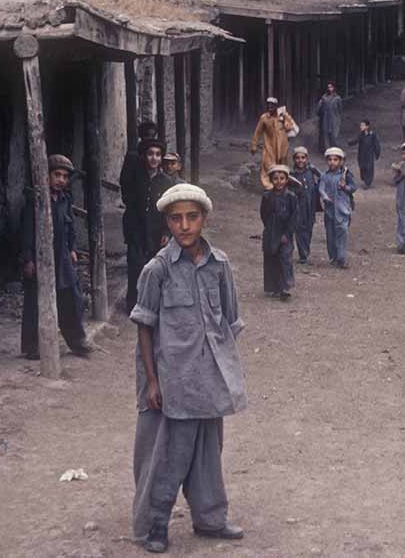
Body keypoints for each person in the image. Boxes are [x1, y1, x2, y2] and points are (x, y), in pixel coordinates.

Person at [131, 183, 246, 553]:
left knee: (209, 452)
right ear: (167, 222)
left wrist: (222, 371)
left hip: (209, 380)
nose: (184, 226)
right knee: (168, 456)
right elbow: (144, 327)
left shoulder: (220, 266)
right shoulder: (157, 270)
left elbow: (230, 323)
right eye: (176, 218)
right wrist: (152, 381)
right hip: (173, 382)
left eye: (192, 217)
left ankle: (211, 519)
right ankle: (156, 525)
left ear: (204, 219)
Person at [21, 154, 91, 359]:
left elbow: (70, 227)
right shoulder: (35, 200)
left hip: (62, 256)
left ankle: (76, 340)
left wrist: (72, 248)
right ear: (47, 176)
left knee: (70, 297)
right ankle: (33, 345)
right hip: (41, 256)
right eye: (57, 175)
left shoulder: (65, 200)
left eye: (65, 176)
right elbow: (26, 231)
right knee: (36, 300)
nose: (61, 180)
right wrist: (28, 259)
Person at [121, 121, 161, 312]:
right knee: (135, 264)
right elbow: (126, 186)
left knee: (153, 265)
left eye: (152, 135)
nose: (153, 157)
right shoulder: (133, 159)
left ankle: (150, 303)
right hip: (135, 221)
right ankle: (133, 303)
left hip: (152, 225)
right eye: (146, 136)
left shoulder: (160, 175)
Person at [260, 165, 298, 299]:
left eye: (282, 178)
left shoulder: (291, 197)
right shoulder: (266, 196)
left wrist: (287, 233)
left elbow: (294, 217)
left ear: (287, 180)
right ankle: (273, 287)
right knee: (271, 258)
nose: (279, 181)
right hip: (271, 233)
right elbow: (263, 214)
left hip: (285, 233)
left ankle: (285, 288)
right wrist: (270, 228)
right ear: (271, 180)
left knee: (285, 259)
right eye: (275, 178)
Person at [319, 147, 357, 269]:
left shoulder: (346, 174)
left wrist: (345, 187)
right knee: (330, 235)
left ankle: (342, 258)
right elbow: (321, 188)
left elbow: (353, 187)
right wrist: (325, 197)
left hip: (342, 209)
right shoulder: (325, 176)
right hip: (329, 210)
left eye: (335, 160)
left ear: (341, 161)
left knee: (342, 232)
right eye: (330, 160)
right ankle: (333, 257)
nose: (332, 162)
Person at [250, 97, 298, 189]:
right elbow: (257, 132)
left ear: (276, 106)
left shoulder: (282, 116)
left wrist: (285, 118)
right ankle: (269, 186)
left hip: (282, 146)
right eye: (268, 104)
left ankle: (282, 185)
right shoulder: (264, 118)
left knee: (282, 166)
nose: (270, 106)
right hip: (269, 146)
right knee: (268, 165)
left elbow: (289, 128)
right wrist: (254, 145)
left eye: (272, 105)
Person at [290, 146, 321, 264]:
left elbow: (323, 178)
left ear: (306, 158)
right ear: (294, 159)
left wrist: (316, 171)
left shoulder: (311, 171)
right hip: (298, 206)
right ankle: (303, 255)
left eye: (303, 158)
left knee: (309, 228)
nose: (300, 160)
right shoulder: (291, 174)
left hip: (311, 204)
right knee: (299, 229)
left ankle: (305, 250)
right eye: (297, 158)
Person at [348, 119, 382, 188]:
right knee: (362, 167)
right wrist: (350, 142)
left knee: (369, 169)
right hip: (361, 155)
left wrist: (377, 153)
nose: (361, 127)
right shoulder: (361, 134)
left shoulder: (372, 135)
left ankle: (367, 183)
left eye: (363, 125)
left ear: (367, 126)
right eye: (361, 125)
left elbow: (376, 145)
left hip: (369, 155)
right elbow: (355, 140)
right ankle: (364, 179)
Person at [316, 82, 343, 153]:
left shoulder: (337, 98)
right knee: (325, 136)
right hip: (325, 119)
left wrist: (339, 119)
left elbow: (340, 110)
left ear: (334, 88)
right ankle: (328, 151)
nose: (329, 89)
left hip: (334, 120)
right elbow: (318, 109)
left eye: (331, 87)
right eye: (328, 87)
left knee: (334, 136)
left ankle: (334, 151)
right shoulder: (323, 98)